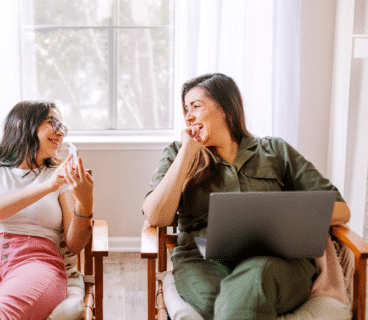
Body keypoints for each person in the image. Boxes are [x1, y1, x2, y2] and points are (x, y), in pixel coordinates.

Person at [142, 73, 350, 320]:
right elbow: (156, 216)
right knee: (221, 303)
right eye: (186, 109)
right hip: (203, 262)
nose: (188, 116)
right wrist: (187, 153)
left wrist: (279, 215)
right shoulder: (178, 154)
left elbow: (341, 210)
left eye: (196, 106)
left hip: (275, 260)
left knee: (253, 283)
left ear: (225, 108)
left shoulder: (275, 150)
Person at [0, 101, 94, 320]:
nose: (61, 133)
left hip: (37, 261)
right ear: (23, 125)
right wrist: (46, 187)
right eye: (54, 123)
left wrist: (85, 203)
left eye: (63, 127)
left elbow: (75, 244)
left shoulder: (59, 177)